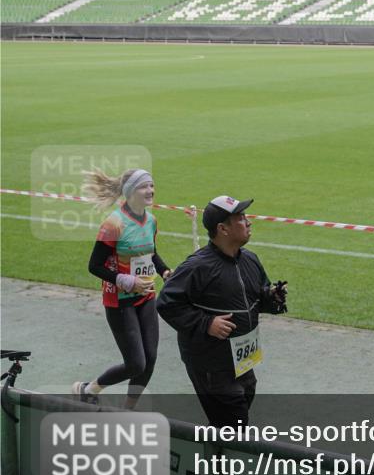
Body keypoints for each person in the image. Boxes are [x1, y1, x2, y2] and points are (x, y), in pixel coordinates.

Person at [157, 196, 287, 428]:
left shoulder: (250, 259)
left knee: (235, 413)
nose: (248, 222)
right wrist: (207, 323)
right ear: (222, 229)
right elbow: (166, 302)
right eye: (240, 218)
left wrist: (271, 298)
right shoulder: (198, 267)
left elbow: (257, 295)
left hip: (242, 362)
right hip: (210, 365)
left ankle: (214, 459)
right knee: (234, 425)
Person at [73, 168, 172, 409]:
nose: (150, 190)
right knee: (136, 363)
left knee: (150, 360)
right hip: (120, 301)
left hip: (146, 296)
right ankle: (88, 389)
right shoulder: (113, 224)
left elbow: (150, 252)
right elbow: (94, 265)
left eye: (151, 185)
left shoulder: (151, 220)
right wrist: (126, 281)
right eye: (143, 186)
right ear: (129, 192)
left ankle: (127, 409)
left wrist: (165, 271)